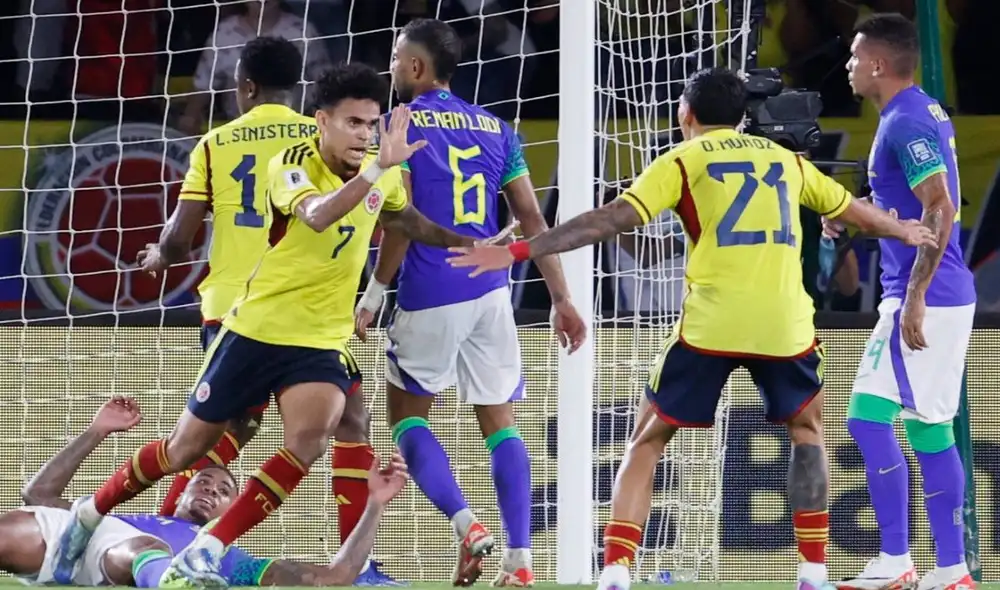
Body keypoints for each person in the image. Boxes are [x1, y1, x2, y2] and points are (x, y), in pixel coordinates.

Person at [448, 67, 938, 590]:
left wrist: (520, 250)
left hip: (711, 323)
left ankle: (616, 570)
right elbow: (852, 210)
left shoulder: (682, 159)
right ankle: (813, 571)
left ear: (686, 113)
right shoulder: (787, 161)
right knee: (807, 432)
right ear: (742, 116)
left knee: (647, 439)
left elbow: (609, 219)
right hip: (783, 323)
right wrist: (903, 229)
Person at [52, 62, 476, 588]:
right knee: (185, 450)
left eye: (372, 125)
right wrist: (375, 171)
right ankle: (88, 515)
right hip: (256, 329)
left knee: (311, 441)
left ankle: (207, 548)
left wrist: (470, 242)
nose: (365, 135)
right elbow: (317, 215)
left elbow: (403, 219)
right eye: (353, 123)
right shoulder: (290, 163)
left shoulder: (380, 170)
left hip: (320, 339)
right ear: (322, 121)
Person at [138, 36, 394, 585]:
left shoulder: (216, 142)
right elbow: (349, 217)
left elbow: (182, 238)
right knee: (220, 435)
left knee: (329, 419)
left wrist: (160, 253)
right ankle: (171, 534)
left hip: (235, 303)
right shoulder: (321, 140)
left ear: (245, 87)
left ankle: (353, 566)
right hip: (284, 307)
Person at [353, 18, 586, 588]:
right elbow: (532, 219)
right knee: (501, 423)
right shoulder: (497, 128)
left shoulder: (398, 124)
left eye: (395, 56)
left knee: (407, 419)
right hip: (490, 292)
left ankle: (467, 525)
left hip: (431, 289)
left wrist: (374, 293)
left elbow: (401, 221)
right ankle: (521, 556)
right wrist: (562, 297)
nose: (390, 66)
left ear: (415, 66)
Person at [833, 13, 977, 590]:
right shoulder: (916, 112)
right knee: (930, 430)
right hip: (946, 293)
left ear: (877, 64)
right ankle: (952, 569)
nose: (847, 66)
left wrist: (914, 295)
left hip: (926, 294)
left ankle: (895, 561)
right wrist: (853, 217)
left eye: (854, 56)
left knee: (866, 419)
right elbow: (906, 202)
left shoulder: (906, 120)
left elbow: (939, 206)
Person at [2, 397, 408, 588]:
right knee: (14, 527)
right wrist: (97, 429)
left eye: (224, 490)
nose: (211, 489)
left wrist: (374, 504)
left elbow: (336, 577)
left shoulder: (228, 559)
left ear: (233, 512)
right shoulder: (121, 516)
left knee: (144, 548)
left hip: (119, 561)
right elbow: (38, 493)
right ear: (178, 494)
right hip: (74, 539)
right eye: (202, 482)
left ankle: (171, 581)